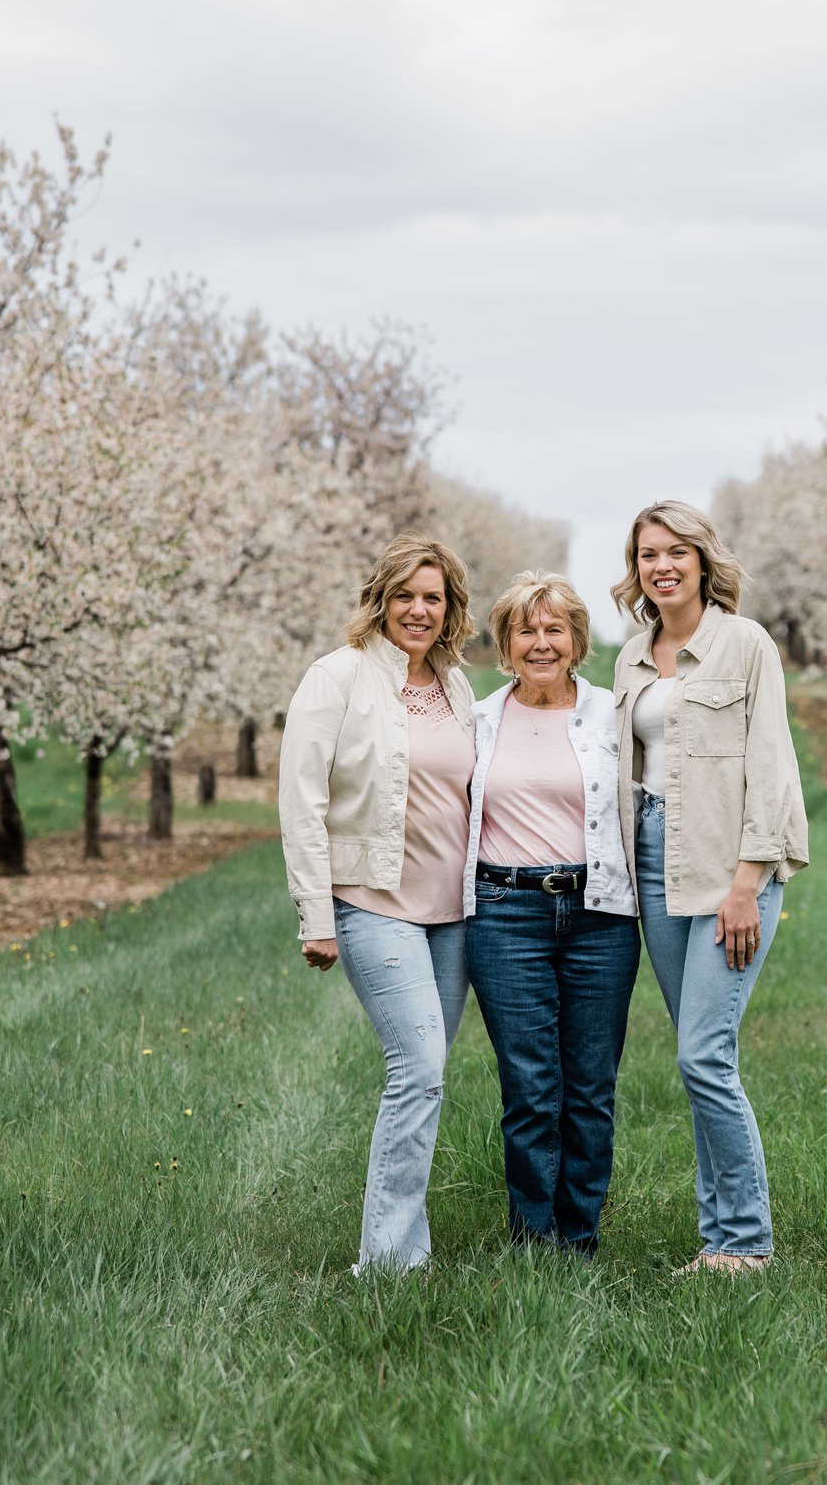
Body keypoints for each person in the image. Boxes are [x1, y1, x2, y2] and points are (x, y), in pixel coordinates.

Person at [611, 499, 808, 1274]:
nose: (661, 565)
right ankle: (717, 1236)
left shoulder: (744, 643)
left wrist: (747, 881)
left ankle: (746, 1239)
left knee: (703, 1053)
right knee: (700, 1053)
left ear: (702, 559)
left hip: (732, 867)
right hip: (656, 863)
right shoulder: (631, 655)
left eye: (675, 551)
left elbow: (773, 765)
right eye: (647, 553)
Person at [279, 534, 478, 1273]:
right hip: (372, 903)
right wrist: (317, 915)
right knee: (417, 1068)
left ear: (449, 608)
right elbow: (300, 800)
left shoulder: (456, 685)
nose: (418, 610)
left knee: (427, 1076)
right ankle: (388, 1262)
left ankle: (405, 1243)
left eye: (433, 597)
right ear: (380, 600)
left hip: (453, 914)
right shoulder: (338, 677)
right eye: (406, 595)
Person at [459, 572, 637, 1255]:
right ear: (505, 643)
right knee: (532, 1087)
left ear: (576, 640)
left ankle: (579, 1238)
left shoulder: (611, 714)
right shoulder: (477, 720)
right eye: (526, 630)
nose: (541, 643)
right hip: (505, 913)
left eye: (554, 629)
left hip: (600, 915)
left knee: (590, 1086)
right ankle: (533, 1240)